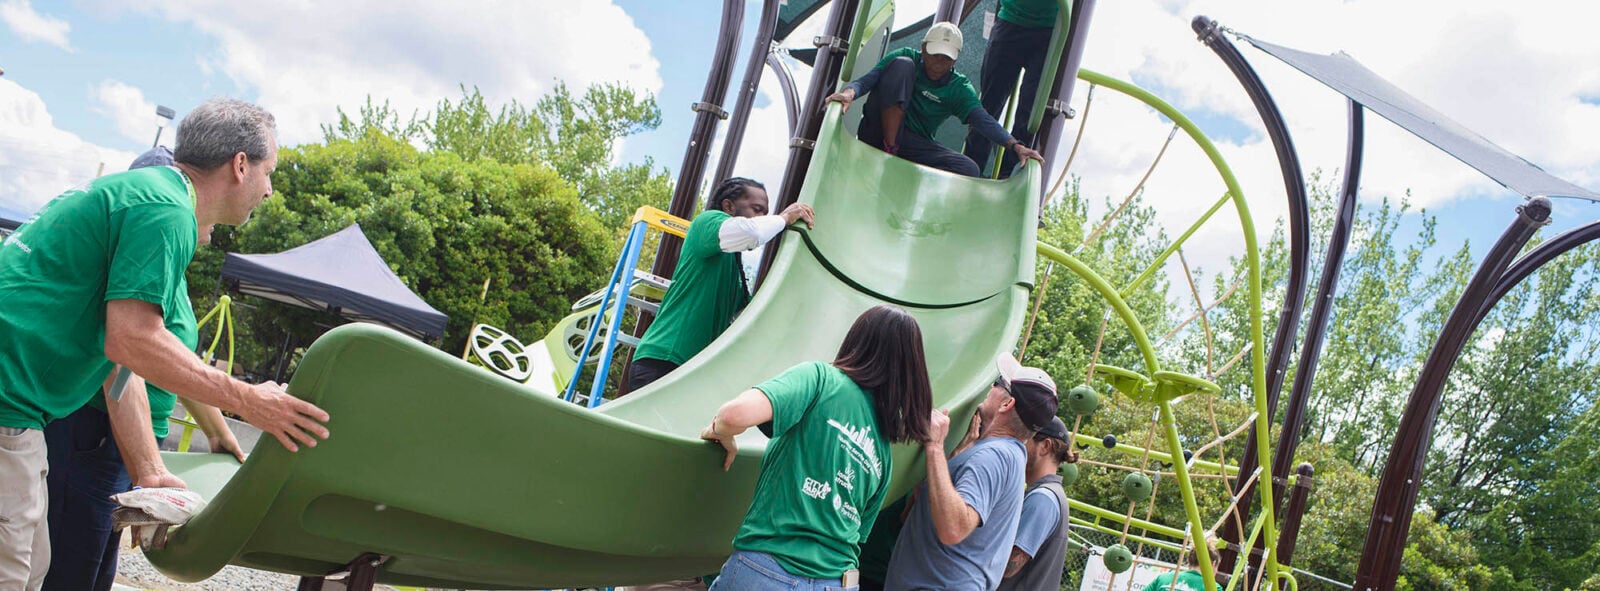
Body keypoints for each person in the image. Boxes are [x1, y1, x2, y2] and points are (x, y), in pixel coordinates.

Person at [0, 97, 331, 589]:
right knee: (16, 572)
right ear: (240, 165)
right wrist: (247, 400)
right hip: (10, 405)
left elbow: (121, 363)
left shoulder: (148, 195)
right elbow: (134, 342)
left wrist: (148, 471)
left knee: (35, 570)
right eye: (269, 171)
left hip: (20, 410)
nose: (269, 189)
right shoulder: (166, 211)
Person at [40, 146, 247, 591]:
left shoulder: (167, 270)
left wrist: (217, 430)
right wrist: (147, 468)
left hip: (132, 441)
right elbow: (120, 365)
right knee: (73, 563)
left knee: (99, 568)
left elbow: (177, 362)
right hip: (100, 431)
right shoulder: (139, 254)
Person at [700, 305, 935, 591]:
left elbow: (734, 415)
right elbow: (856, 535)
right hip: (837, 582)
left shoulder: (820, 380)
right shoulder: (883, 452)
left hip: (769, 569)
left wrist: (720, 431)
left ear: (856, 341)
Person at [883, 353, 1060, 590]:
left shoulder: (993, 456)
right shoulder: (1010, 454)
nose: (990, 386)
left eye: (998, 382)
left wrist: (935, 447)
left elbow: (953, 529)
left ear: (1007, 404)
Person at [627, 177, 815, 391]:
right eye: (757, 209)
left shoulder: (733, 268)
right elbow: (751, 232)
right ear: (728, 206)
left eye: (765, 212)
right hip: (664, 359)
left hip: (692, 370)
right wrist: (783, 218)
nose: (762, 217)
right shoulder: (706, 223)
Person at [826, 22, 1043, 177]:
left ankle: (911, 181)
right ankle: (888, 150)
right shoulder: (908, 56)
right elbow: (868, 80)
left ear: (955, 58)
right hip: (877, 130)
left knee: (969, 169)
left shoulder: (958, 87)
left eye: (946, 58)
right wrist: (849, 93)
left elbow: (982, 120)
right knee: (901, 66)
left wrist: (1015, 146)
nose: (938, 63)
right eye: (934, 55)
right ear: (923, 48)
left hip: (910, 143)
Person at [963, 0, 1060, 179]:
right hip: (1010, 23)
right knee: (988, 105)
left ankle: (1009, 177)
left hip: (1048, 32)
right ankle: (971, 169)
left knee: (1029, 113)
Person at [996, 417, 1073, 591]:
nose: (1017, 444)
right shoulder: (1048, 494)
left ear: (1045, 446)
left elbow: (1009, 567)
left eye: (1024, 439)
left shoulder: (1043, 498)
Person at [1140, 539, 1222, 591]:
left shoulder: (1163, 578)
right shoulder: (1214, 587)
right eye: (1217, 567)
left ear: (1189, 560)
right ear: (1213, 563)